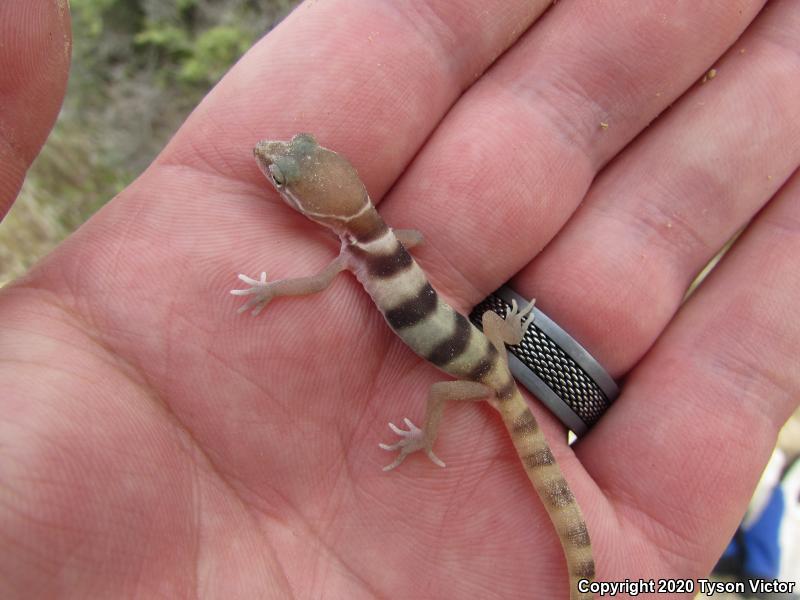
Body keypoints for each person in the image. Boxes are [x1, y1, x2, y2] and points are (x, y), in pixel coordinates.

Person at [1, 1, 798, 598]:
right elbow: (405, 244)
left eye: (286, 169)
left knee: (477, 420)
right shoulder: (379, 241)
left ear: (320, 211)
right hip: (483, 348)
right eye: (287, 162)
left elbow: (314, 281)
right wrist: (508, 327)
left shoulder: (351, 257)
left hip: (476, 380)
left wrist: (276, 295)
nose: (273, 161)